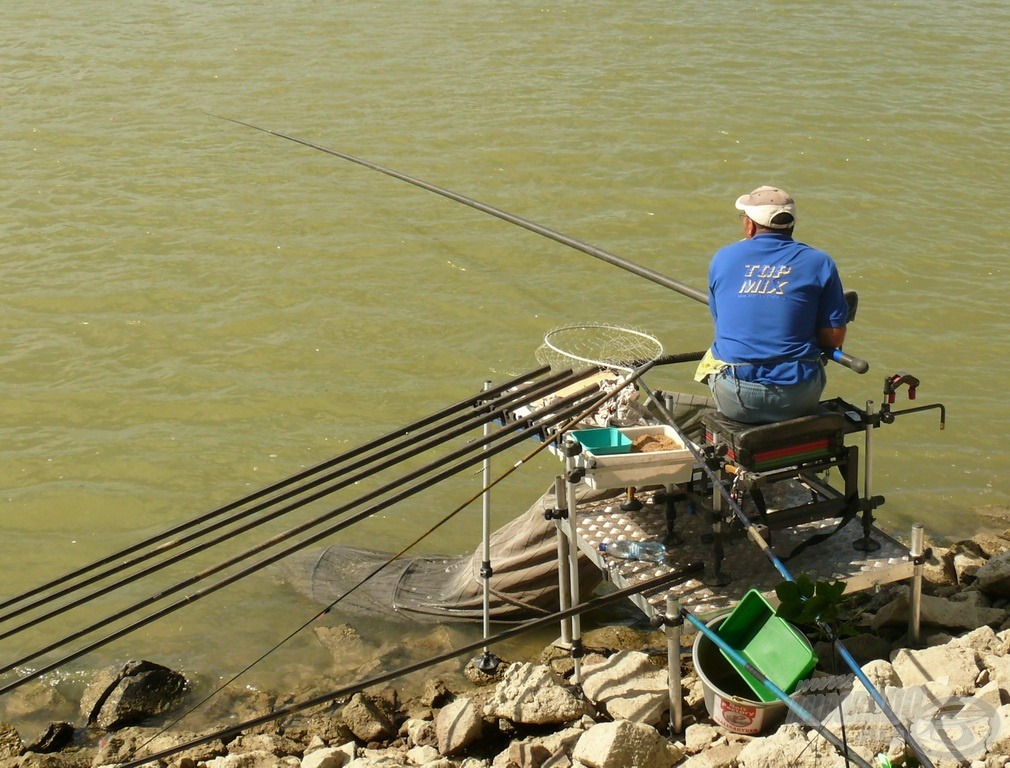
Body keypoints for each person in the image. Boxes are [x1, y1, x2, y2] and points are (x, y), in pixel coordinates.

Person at [694, 185, 848, 424]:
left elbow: (720, 319)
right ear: (791, 225)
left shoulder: (723, 258)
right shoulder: (820, 262)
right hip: (798, 398)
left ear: (750, 225)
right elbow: (833, 338)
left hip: (737, 398)